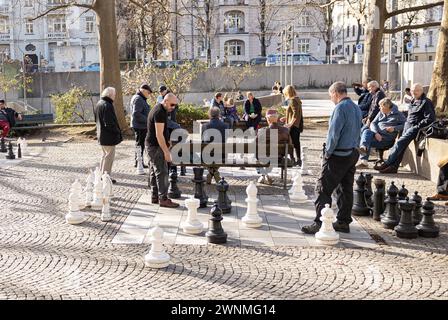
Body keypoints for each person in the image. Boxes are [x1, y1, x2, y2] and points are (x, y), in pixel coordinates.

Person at [301, 82, 362, 235]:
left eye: (330, 96)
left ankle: (320, 223)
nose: (331, 99)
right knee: (345, 188)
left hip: (338, 154)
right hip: (352, 152)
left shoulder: (340, 108)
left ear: (335, 93)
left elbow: (333, 134)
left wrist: (327, 153)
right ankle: (343, 222)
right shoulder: (356, 107)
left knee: (322, 188)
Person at [375, 83, 436, 174]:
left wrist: (417, 127)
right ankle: (393, 167)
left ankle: (387, 163)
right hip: (407, 126)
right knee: (401, 146)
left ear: (421, 91)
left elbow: (430, 118)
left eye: (417, 90)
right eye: (412, 90)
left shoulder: (426, 102)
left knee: (399, 143)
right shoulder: (412, 100)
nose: (414, 92)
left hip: (416, 128)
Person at [146, 93, 180, 208]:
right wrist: (166, 151)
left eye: (175, 105)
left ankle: (155, 196)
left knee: (154, 171)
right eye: (172, 104)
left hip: (152, 145)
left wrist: (168, 140)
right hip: (156, 146)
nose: (173, 107)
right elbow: (158, 134)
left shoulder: (161, 109)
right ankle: (163, 199)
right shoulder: (159, 111)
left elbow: (163, 131)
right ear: (165, 101)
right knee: (162, 172)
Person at [356, 98, 406, 168]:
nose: (379, 108)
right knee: (366, 131)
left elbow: (405, 124)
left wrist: (394, 128)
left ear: (386, 107)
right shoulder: (381, 113)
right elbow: (373, 123)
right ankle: (363, 148)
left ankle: (364, 160)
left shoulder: (398, 114)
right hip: (377, 136)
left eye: (381, 106)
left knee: (366, 140)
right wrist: (376, 133)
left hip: (386, 140)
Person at [94, 87, 123, 184]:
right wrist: (117, 132)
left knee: (104, 156)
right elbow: (109, 123)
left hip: (101, 135)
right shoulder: (107, 105)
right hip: (108, 136)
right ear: (110, 95)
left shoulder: (99, 103)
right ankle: (106, 177)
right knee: (109, 157)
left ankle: (102, 175)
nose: (115, 97)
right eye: (114, 95)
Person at [256, 109, 290, 185]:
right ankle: (264, 175)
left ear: (268, 119)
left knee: (257, 155)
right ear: (277, 118)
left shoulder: (262, 131)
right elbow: (289, 144)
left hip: (263, 158)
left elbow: (255, 145)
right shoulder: (285, 130)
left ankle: (263, 175)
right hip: (278, 158)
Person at [202, 107, 229, 184]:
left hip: (206, 156)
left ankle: (211, 172)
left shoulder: (205, 126)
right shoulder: (225, 125)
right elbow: (226, 140)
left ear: (209, 115)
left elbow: (203, 140)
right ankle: (215, 171)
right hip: (222, 155)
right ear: (219, 115)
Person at [280, 85, 304, 167]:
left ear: (287, 92)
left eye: (285, 93)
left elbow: (295, 114)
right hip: (295, 125)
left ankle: (294, 160)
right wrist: (285, 118)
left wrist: (290, 123)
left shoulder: (292, 100)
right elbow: (295, 113)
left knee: (291, 143)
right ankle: (298, 160)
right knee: (296, 143)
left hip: (293, 126)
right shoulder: (297, 99)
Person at [130, 84, 152, 168]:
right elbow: (136, 114)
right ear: (143, 90)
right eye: (148, 92)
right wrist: (148, 120)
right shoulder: (138, 99)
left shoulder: (139, 97)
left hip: (140, 125)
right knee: (140, 144)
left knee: (140, 144)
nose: (149, 94)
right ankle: (138, 162)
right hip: (140, 126)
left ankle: (138, 161)